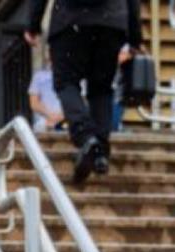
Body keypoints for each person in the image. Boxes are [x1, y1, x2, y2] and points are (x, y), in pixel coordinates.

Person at [25, 0, 142, 184]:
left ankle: (86, 136)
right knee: (101, 88)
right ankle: (100, 150)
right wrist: (135, 37)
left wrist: (33, 25)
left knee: (65, 82)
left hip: (70, 21)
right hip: (111, 23)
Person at [28, 57, 65, 133]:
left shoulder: (73, 77)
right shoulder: (38, 76)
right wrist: (50, 116)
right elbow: (34, 103)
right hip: (43, 122)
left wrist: (60, 117)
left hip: (65, 121)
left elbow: (81, 101)